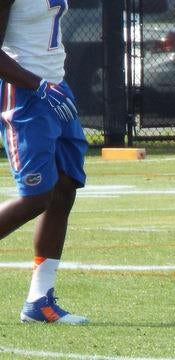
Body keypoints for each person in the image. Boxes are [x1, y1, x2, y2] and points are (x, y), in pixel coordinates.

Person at [0, 0, 89, 324]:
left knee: (65, 187)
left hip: (54, 86)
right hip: (25, 94)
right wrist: (38, 85)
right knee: (37, 196)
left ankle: (40, 299)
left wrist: (50, 84)